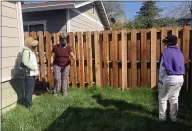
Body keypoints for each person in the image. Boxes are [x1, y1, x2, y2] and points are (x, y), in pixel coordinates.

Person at [158, 35, 185, 122]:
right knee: (174, 98)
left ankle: (162, 119)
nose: (164, 44)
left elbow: (162, 69)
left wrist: (160, 80)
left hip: (169, 78)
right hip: (180, 78)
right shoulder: (180, 52)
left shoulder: (166, 53)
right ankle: (173, 119)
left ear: (170, 43)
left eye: (166, 42)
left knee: (163, 98)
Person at [22, 37, 39, 108]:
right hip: (29, 73)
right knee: (29, 90)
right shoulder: (26, 51)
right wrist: (34, 68)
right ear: (30, 45)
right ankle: (29, 106)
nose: (35, 46)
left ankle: (28, 105)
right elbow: (25, 62)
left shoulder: (30, 51)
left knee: (30, 89)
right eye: (34, 45)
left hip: (31, 73)